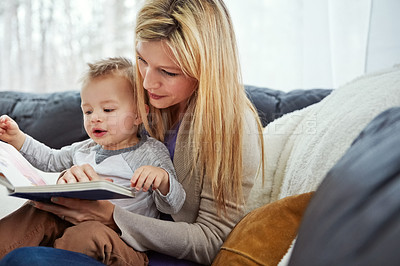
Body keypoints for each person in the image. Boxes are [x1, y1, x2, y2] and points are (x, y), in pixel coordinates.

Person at [0, 0, 264, 265]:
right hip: (89, 231)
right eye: (142, 60)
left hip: (146, 253)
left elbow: (211, 242)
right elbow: (62, 157)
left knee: (28, 259)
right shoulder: (140, 100)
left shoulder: (234, 126)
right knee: (35, 217)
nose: (147, 82)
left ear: (207, 69)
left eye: (168, 72)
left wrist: (111, 216)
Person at [0, 57, 185, 265]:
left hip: (123, 244)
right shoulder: (84, 148)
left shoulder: (149, 151)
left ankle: (49, 257)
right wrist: (18, 139)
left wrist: (164, 181)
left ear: (138, 115)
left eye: (107, 110)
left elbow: (177, 203)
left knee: (90, 233)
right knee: (37, 209)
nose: (95, 118)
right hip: (71, 223)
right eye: (88, 111)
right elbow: (50, 159)